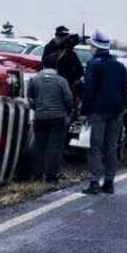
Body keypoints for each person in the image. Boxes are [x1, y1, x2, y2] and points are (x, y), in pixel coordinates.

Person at [80, 30, 127, 194]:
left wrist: (84, 110)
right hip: (116, 111)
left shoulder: (94, 64)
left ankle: (94, 182)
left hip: (98, 111)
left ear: (95, 46)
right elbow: (124, 90)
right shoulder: (119, 66)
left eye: (91, 45)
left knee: (95, 146)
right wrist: (120, 107)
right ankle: (109, 182)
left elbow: (89, 90)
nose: (89, 49)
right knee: (111, 146)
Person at [27, 54, 74, 183]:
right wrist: (68, 113)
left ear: (43, 65)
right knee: (54, 147)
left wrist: (36, 108)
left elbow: (30, 97)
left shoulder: (35, 79)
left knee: (39, 145)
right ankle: (51, 176)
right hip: (58, 117)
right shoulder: (61, 81)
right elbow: (69, 99)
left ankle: (37, 176)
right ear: (56, 66)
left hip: (40, 117)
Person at [41, 26, 84, 93]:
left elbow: (79, 70)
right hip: (53, 84)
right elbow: (46, 61)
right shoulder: (50, 48)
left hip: (66, 85)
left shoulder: (69, 53)